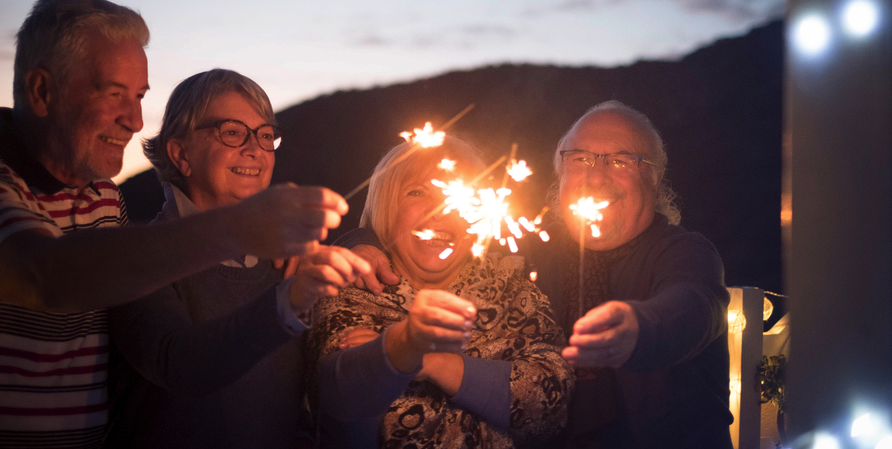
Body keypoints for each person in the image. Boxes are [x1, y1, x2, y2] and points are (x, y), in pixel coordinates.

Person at [0, 0, 348, 448]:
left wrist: (363, 248)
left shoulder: (103, 197)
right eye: (113, 94)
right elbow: (46, 275)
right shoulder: (136, 246)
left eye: (140, 96)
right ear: (42, 92)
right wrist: (239, 231)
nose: (134, 119)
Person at [350, 101, 733, 448]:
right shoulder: (530, 251)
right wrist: (361, 241)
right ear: (559, 172)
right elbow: (442, 235)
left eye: (619, 161)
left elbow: (694, 307)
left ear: (653, 176)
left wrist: (638, 328)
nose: (596, 177)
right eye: (580, 158)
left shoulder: (683, 252)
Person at [104, 69, 368, 448]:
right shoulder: (139, 254)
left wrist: (363, 243)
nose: (255, 149)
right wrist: (287, 304)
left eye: (265, 135)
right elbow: (179, 364)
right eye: (232, 131)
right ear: (180, 153)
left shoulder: (286, 261)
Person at [307, 136, 575, 448]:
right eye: (417, 192)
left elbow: (553, 403)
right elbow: (344, 411)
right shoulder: (351, 290)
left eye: (457, 194)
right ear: (386, 208)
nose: (439, 210)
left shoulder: (512, 284)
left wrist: (427, 361)